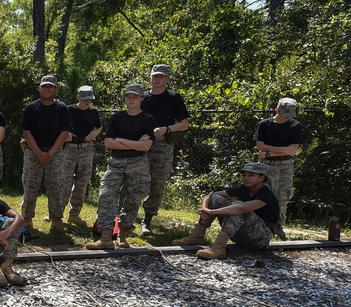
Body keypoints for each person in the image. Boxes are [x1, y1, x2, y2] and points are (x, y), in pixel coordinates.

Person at [86, 83, 156, 250]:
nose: (131, 99)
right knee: (106, 195)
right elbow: (108, 143)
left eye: (135, 97)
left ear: (142, 98)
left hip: (138, 163)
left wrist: (121, 140)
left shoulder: (148, 119)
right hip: (116, 162)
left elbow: (146, 147)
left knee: (133, 199)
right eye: (128, 96)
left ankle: (123, 235)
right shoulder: (117, 118)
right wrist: (135, 143)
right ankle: (105, 238)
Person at [172, 162, 279, 259]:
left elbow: (241, 208)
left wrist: (212, 212)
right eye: (244, 175)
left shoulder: (266, 195)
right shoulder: (244, 189)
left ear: (261, 178)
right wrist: (205, 209)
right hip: (240, 234)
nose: (246, 178)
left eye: (251, 175)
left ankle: (219, 248)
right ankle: (197, 236)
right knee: (216, 198)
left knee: (237, 207)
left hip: (259, 240)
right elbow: (209, 196)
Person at [138, 63, 190, 234]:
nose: (157, 79)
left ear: (167, 78)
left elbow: (184, 124)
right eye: (155, 75)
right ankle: (126, 218)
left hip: (162, 145)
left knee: (158, 183)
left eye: (161, 76)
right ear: (150, 77)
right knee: (133, 180)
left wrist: (166, 129)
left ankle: (147, 219)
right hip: (140, 144)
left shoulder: (173, 98)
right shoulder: (141, 97)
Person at [19, 75, 73, 234]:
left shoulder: (61, 108)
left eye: (50, 86)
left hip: (55, 154)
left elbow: (64, 132)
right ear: (39, 88)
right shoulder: (31, 108)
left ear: (56, 89)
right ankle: (27, 219)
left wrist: (49, 153)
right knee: (30, 185)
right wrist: (39, 153)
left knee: (56, 187)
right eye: (44, 86)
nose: (47, 89)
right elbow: (26, 132)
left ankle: (56, 220)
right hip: (33, 153)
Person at [255, 97, 302, 233]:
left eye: (290, 115)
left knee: (283, 196)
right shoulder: (264, 124)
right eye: (285, 114)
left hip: (285, 166)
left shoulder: (295, 125)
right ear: (277, 110)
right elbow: (260, 146)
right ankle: (261, 224)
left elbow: (293, 149)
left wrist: (269, 153)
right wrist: (284, 149)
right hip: (266, 165)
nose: (287, 117)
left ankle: (278, 225)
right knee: (263, 194)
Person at [62, 85, 103, 226]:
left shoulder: (93, 112)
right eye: (84, 99)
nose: (87, 102)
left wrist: (96, 132)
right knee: (64, 183)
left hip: (86, 149)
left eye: (89, 99)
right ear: (78, 98)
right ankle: (56, 215)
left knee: (82, 183)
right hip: (69, 149)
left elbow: (99, 126)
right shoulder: (68, 110)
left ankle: (74, 215)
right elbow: (58, 125)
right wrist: (66, 132)